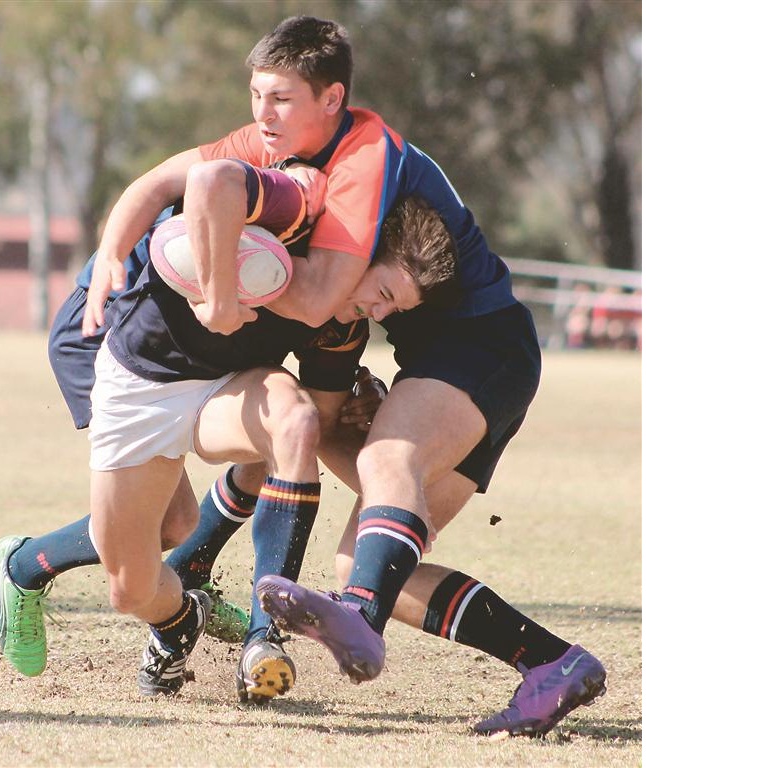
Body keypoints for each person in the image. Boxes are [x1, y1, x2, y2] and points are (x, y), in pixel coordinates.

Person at [83, 15, 607, 737]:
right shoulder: (277, 144)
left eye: (280, 98)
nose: (263, 113)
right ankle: (552, 664)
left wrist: (224, 281)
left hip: (479, 344)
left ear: (330, 99)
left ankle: (356, 617)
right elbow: (170, 180)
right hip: (461, 364)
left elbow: (317, 298)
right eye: (256, 95)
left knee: (389, 462)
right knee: (365, 559)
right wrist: (115, 251)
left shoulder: (361, 154)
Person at [0, 160, 458, 705]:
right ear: (356, 253)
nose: (377, 312)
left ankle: (265, 637)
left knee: (294, 424)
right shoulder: (284, 210)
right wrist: (207, 288)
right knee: (160, 542)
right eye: (382, 291)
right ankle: (41, 570)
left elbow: (322, 425)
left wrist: (389, 498)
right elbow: (185, 187)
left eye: (391, 308)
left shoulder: (342, 324)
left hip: (218, 376)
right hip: (118, 342)